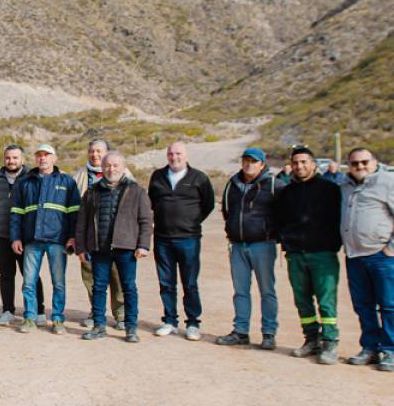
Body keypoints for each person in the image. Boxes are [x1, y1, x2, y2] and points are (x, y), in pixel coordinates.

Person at [275, 146, 342, 364]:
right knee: (302, 301)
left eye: (304, 162)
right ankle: (311, 339)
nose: (299, 166)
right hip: (296, 254)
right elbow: (280, 220)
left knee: (326, 301)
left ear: (313, 164)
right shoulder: (286, 192)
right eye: (296, 163)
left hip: (322, 253)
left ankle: (329, 342)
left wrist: (331, 243)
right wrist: (286, 241)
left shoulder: (330, 189)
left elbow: (339, 219)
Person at [76, 151, 152, 343]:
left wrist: (143, 245)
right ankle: (99, 326)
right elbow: (82, 222)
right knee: (99, 287)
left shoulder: (137, 191)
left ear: (123, 167)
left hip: (126, 248)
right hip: (99, 248)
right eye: (107, 166)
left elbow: (145, 220)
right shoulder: (92, 192)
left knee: (129, 288)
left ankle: (131, 328)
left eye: (115, 165)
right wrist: (81, 248)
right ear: (102, 169)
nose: (111, 169)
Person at [217, 147, 284, 350]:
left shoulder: (274, 185)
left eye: (253, 161)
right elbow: (227, 211)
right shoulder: (233, 184)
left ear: (262, 164)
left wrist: (274, 234)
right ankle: (241, 330)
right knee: (240, 291)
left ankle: (269, 332)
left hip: (262, 244)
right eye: (246, 160)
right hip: (238, 245)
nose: (249, 164)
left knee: (267, 290)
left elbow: (285, 212)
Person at [147, 141, 214, 341]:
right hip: (162, 239)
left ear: (186, 155)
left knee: (190, 283)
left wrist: (191, 222)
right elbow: (152, 202)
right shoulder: (157, 176)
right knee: (166, 282)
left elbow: (208, 204)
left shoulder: (199, 178)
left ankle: (193, 323)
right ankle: (170, 321)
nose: (174, 157)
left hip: (189, 239)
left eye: (178, 153)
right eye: (170, 154)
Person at [10, 144, 80, 335]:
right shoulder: (25, 183)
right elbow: (16, 213)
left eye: (46, 155)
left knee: (58, 282)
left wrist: (72, 237)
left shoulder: (67, 182)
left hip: (57, 240)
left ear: (54, 158)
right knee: (28, 282)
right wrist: (15, 237)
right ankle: (30, 318)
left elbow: (74, 214)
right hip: (32, 241)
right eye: (39, 155)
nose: (42, 158)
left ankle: (57, 319)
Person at [340, 147, 394, 372]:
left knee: (389, 305)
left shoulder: (387, 181)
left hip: (381, 256)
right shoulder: (344, 186)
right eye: (355, 163)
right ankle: (370, 347)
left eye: (364, 162)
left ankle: (390, 351)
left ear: (374, 161)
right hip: (354, 256)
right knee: (363, 305)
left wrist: (391, 248)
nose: (360, 167)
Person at [0, 145, 46, 326]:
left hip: (26, 236)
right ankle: (7, 310)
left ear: (22, 159)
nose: (11, 161)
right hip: (0, 235)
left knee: (31, 274)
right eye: (8, 158)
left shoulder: (32, 178)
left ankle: (39, 310)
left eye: (15, 158)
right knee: (5, 274)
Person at [72, 139, 125, 329]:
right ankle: (96, 312)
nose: (95, 155)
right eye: (92, 151)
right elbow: (72, 210)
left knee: (118, 277)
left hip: (117, 239)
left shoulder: (124, 175)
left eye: (99, 151)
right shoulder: (79, 177)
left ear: (107, 152)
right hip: (89, 239)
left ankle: (121, 315)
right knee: (91, 279)